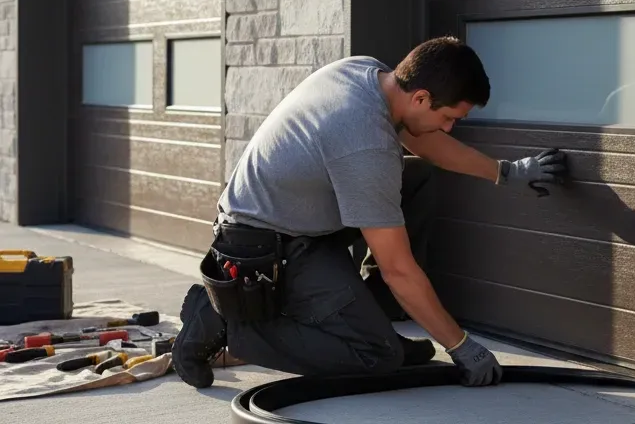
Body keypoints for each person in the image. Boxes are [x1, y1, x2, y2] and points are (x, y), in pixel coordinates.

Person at [173, 36, 569, 389]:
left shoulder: (367, 73)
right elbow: (398, 267)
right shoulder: (366, 147)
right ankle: (223, 321)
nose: (449, 129)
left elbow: (424, 140)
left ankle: (373, 315)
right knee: (376, 357)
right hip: (266, 247)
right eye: (449, 117)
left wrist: (507, 172)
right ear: (421, 98)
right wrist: (461, 345)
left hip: (296, 219)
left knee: (415, 177)